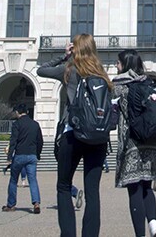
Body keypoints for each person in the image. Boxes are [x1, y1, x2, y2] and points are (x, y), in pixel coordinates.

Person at [37, 32, 110, 237]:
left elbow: (42, 70)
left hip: (73, 133)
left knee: (63, 186)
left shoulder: (69, 70)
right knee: (93, 193)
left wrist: (64, 55)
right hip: (98, 137)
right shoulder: (101, 73)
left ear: (75, 49)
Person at [112, 49, 156, 237]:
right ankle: (154, 225)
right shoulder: (148, 82)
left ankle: (140, 235)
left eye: (117, 63)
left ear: (124, 64)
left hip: (131, 142)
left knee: (134, 189)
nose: (115, 66)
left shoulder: (118, 85)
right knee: (147, 186)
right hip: (151, 142)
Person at [3, 102, 43, 213]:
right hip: (32, 155)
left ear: (17, 112)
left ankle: (11, 205)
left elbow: (13, 141)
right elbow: (40, 141)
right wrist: (38, 154)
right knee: (33, 180)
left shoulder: (16, 124)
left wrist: (9, 157)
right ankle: (36, 203)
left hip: (20, 155)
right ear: (27, 111)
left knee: (13, 180)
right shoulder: (35, 124)